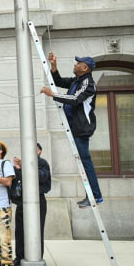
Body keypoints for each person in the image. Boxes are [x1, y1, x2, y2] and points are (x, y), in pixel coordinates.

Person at [40, 53, 102, 208]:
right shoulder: (77, 80)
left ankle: (95, 196)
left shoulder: (88, 84)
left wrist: (53, 95)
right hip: (74, 126)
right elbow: (59, 81)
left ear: (85, 67)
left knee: (85, 161)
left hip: (82, 127)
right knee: (83, 161)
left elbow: (75, 100)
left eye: (78, 63)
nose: (75, 65)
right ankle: (93, 195)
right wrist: (54, 66)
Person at [12, 143, 51, 266]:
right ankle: (19, 256)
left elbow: (41, 177)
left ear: (39, 151)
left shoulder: (42, 163)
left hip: (38, 200)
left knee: (37, 229)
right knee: (19, 230)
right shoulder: (22, 165)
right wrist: (18, 169)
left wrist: (25, 166)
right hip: (22, 201)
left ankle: (36, 255)